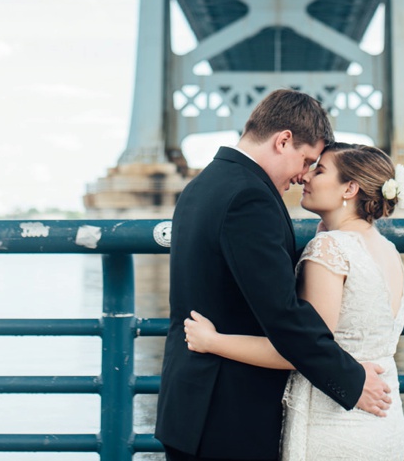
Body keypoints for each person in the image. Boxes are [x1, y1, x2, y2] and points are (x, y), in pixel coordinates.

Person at [155, 91, 392, 461]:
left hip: (194, 403)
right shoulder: (249, 198)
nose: (303, 176)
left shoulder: (203, 185)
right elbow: (282, 314)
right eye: (307, 159)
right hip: (227, 414)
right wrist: (351, 380)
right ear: (283, 140)